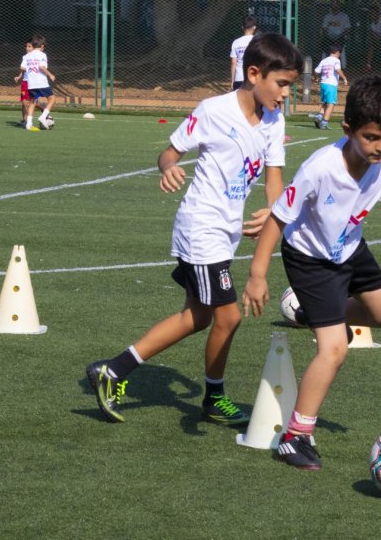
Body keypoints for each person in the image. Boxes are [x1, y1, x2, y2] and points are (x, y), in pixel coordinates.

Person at [86, 33, 303, 424]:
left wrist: (272, 209)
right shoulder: (213, 110)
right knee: (228, 317)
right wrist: (168, 168)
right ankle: (212, 397)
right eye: (282, 84)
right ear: (254, 74)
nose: (286, 93)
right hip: (201, 226)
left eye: (291, 85)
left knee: (198, 317)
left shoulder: (274, 120)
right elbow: (169, 153)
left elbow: (275, 179)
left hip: (225, 231)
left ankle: (114, 370)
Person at [242, 74, 381, 470]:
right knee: (334, 348)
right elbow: (279, 219)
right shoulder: (321, 167)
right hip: (310, 259)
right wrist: (258, 274)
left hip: (350, 247)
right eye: (371, 138)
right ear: (348, 130)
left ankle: (316, 314)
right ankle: (296, 436)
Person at [20, 34, 56, 131]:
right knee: (52, 99)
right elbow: (41, 67)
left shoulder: (27, 55)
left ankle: (29, 124)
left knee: (32, 102)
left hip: (31, 83)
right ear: (42, 46)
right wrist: (50, 75)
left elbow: (22, 67)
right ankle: (43, 116)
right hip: (41, 81)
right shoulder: (42, 55)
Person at [313, 43, 348, 130]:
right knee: (331, 104)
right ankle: (324, 123)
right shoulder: (336, 61)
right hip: (331, 84)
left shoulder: (324, 60)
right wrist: (344, 78)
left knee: (325, 102)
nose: (340, 55)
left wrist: (317, 79)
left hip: (323, 84)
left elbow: (316, 71)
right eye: (340, 53)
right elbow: (337, 69)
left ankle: (319, 116)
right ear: (337, 52)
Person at [320, 0, 351, 66]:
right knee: (324, 44)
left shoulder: (344, 16)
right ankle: (325, 65)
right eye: (333, 4)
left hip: (340, 37)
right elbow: (324, 29)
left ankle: (342, 66)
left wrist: (339, 36)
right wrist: (327, 35)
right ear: (331, 5)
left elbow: (347, 29)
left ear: (339, 5)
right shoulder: (327, 16)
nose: (334, 5)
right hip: (329, 37)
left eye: (336, 4)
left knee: (339, 44)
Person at [231, 15, 257, 91]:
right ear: (254, 27)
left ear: (242, 27)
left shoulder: (236, 42)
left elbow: (233, 62)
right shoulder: (257, 41)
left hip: (239, 78)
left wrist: (233, 80)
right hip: (254, 78)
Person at [13, 40, 34, 127]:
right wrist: (19, 76)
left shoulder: (36, 57)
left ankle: (29, 120)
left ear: (34, 48)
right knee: (24, 102)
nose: (27, 48)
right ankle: (24, 120)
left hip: (34, 82)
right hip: (25, 82)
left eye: (29, 46)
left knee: (32, 102)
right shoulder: (25, 57)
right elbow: (22, 69)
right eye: (26, 46)